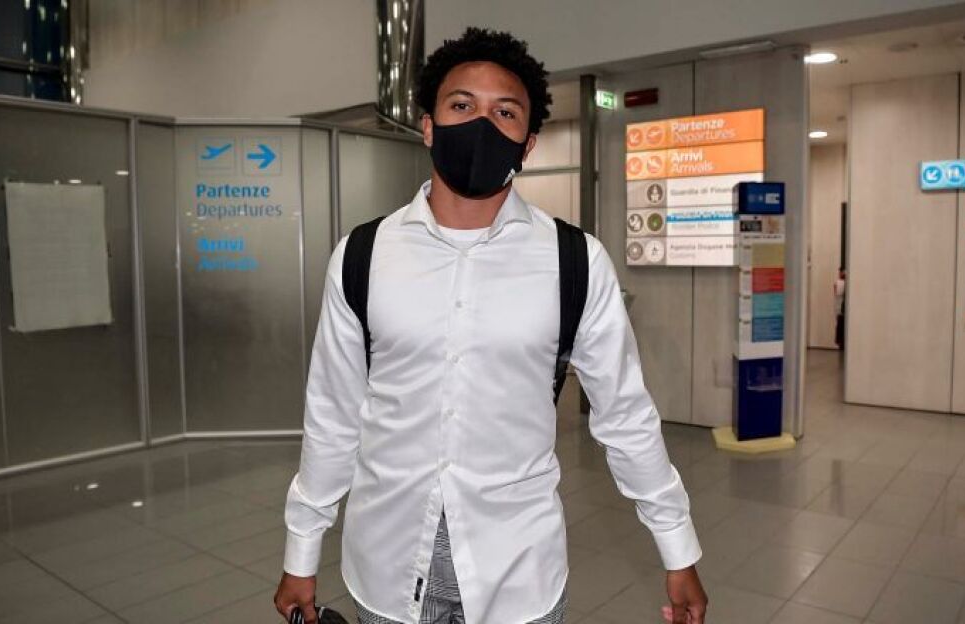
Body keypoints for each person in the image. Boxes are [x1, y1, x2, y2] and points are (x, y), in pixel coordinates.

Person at [274, 27, 706, 624]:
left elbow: (625, 416)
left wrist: (677, 547)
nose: (481, 124)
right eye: (461, 106)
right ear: (429, 126)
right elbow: (333, 413)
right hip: (386, 562)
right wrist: (301, 550)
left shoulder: (575, 261)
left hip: (519, 568)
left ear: (527, 143)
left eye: (504, 112)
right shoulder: (362, 255)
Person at [834, 268, 846, 349]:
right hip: (840, 308)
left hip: (840, 308)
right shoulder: (841, 283)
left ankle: (840, 342)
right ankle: (841, 342)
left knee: (840, 325)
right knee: (840, 325)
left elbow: (836, 292)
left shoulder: (839, 283)